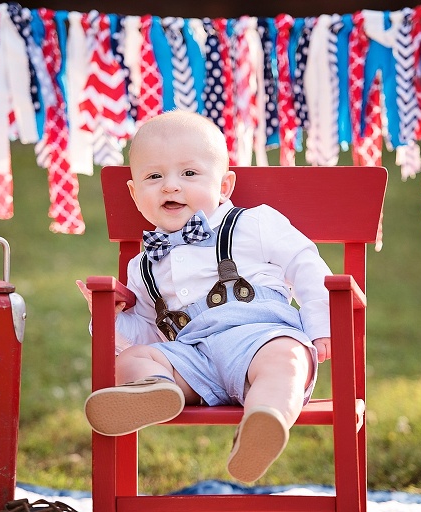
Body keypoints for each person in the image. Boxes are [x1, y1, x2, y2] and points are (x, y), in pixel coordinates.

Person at [76, 110, 332, 483]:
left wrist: (321, 323)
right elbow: (150, 330)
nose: (170, 186)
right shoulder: (143, 265)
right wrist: (111, 317)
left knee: (287, 358)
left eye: (189, 174)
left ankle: (263, 423)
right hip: (192, 358)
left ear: (225, 185)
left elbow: (306, 264)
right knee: (134, 358)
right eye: (153, 177)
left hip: (259, 338)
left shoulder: (253, 224)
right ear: (134, 193)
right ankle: (156, 391)